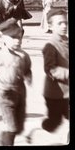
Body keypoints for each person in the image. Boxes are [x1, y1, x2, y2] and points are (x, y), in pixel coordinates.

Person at [26, 9, 69, 144]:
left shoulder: (66, 42)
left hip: (67, 92)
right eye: (59, 23)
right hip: (56, 94)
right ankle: (34, 126)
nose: (64, 26)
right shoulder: (50, 46)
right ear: (50, 26)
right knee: (53, 124)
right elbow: (50, 69)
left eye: (66, 23)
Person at [0, 18, 32, 146]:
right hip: (6, 96)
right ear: (3, 38)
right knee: (12, 127)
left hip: (21, 94)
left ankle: (2, 138)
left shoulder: (24, 55)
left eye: (19, 37)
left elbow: (27, 70)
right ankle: (6, 141)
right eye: (13, 37)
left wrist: (29, 77)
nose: (17, 40)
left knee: (19, 128)